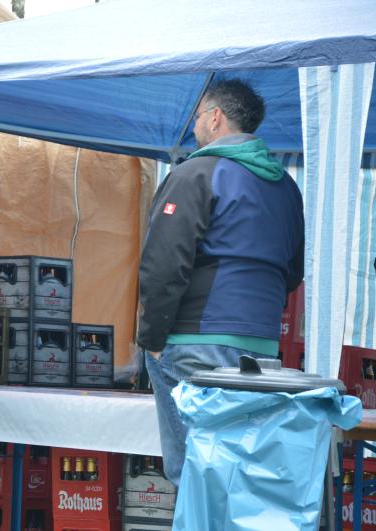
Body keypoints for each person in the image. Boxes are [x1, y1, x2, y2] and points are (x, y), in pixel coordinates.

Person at [137, 79, 304, 487]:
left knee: (196, 471)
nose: (194, 126)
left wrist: (152, 339)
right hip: (261, 346)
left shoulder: (196, 173)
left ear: (215, 118)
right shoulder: (286, 187)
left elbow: (163, 264)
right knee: (240, 468)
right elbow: (293, 270)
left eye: (197, 117)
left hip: (197, 339)